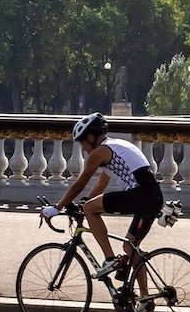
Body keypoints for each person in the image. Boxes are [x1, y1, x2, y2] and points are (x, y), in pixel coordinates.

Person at [44, 112, 163, 282]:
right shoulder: (115, 146)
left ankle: (110, 259)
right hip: (152, 196)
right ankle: (145, 299)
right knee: (130, 248)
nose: (83, 148)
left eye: (83, 141)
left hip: (140, 194)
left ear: (92, 136)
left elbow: (80, 184)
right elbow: (101, 184)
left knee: (90, 209)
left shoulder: (100, 152)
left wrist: (57, 207)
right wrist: (85, 203)